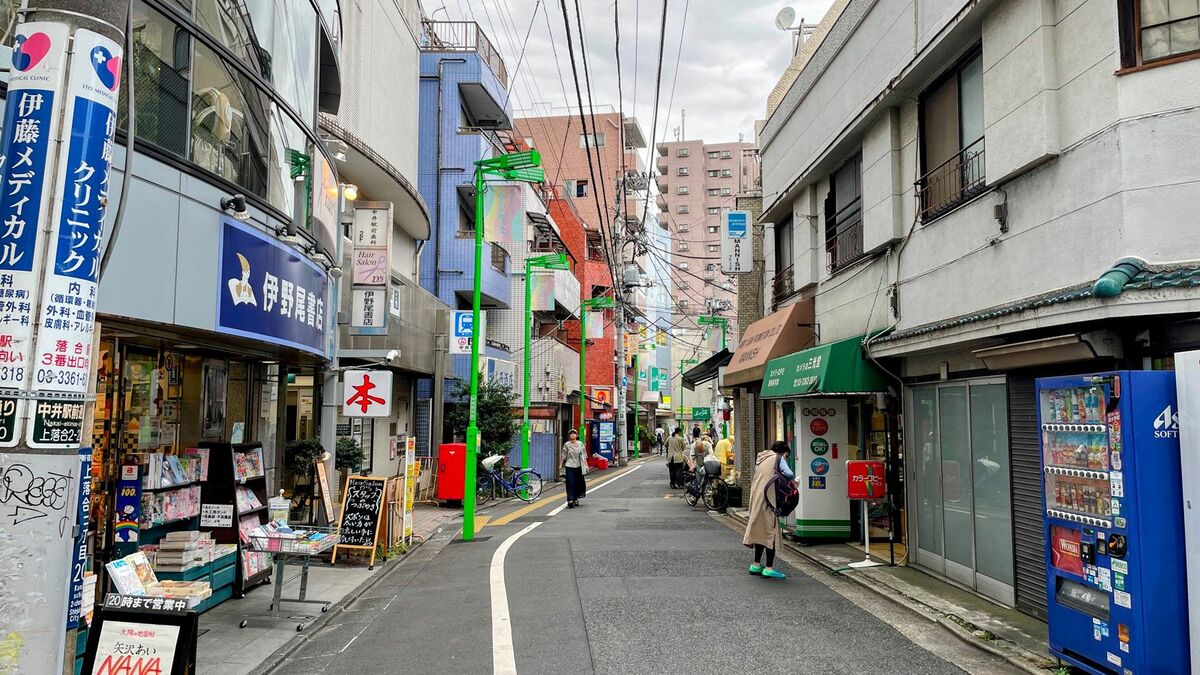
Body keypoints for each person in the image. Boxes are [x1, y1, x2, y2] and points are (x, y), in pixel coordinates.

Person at [743, 440, 795, 579]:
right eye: (787, 456)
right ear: (784, 452)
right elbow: (789, 474)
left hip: (756, 498)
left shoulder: (762, 458)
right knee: (771, 533)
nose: (786, 458)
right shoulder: (778, 458)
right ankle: (769, 568)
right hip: (768, 500)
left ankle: (756, 565)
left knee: (760, 531)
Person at [561, 429, 587, 508]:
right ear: (569, 436)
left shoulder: (580, 444)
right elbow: (564, 455)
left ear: (576, 435)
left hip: (578, 465)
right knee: (570, 482)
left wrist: (586, 465)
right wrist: (560, 464)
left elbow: (584, 455)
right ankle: (570, 499)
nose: (572, 435)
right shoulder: (567, 445)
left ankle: (575, 498)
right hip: (569, 466)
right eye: (571, 434)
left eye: (574, 433)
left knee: (578, 482)